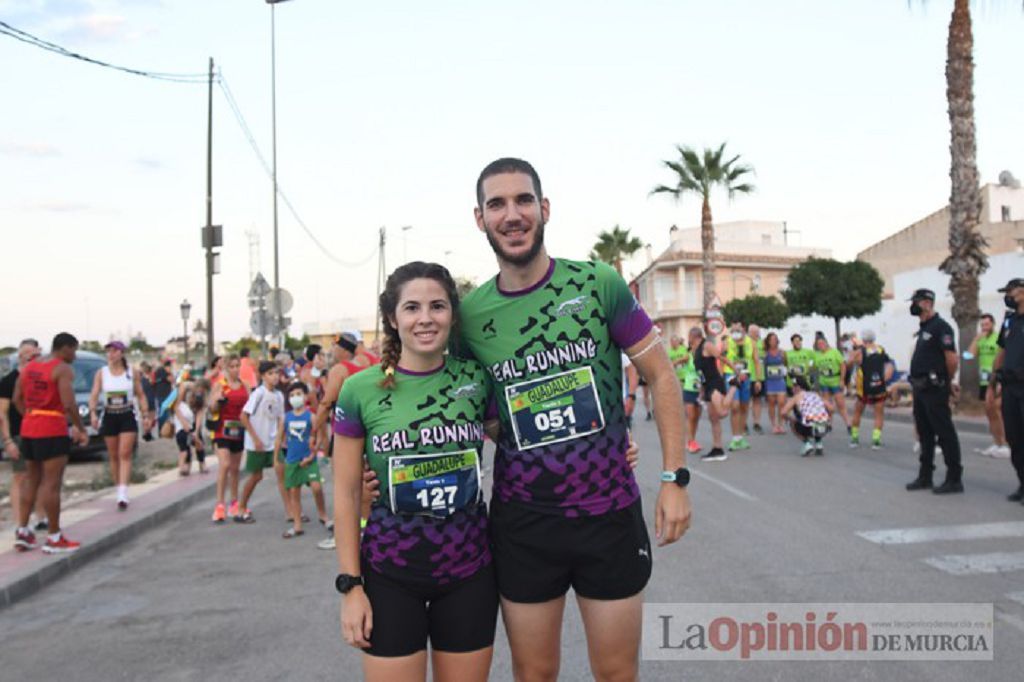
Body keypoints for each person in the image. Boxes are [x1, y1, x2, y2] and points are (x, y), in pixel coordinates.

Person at [455, 158, 691, 682]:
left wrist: (674, 476)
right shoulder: (468, 318)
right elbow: (475, 413)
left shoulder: (597, 282)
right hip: (523, 523)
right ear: (480, 218)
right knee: (534, 674)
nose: (511, 214)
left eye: (522, 201)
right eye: (497, 203)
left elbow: (662, 374)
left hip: (608, 514)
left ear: (544, 209)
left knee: (615, 673)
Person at [334, 262, 500, 680]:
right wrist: (351, 586)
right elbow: (346, 492)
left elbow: (520, 439)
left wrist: (612, 450)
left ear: (452, 315)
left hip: (469, 572)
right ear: (393, 318)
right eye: (412, 308)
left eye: (437, 306)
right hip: (390, 574)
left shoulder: (477, 380)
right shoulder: (360, 389)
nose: (425, 318)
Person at [12, 332, 90, 553]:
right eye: (73, 350)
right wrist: (80, 428)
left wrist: (30, 415)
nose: (74, 355)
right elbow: (69, 403)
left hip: (29, 426)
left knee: (31, 480)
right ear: (65, 348)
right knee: (51, 483)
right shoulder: (62, 368)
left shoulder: (30, 367)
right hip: (52, 428)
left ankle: (23, 531)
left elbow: (18, 398)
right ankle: (54, 536)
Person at [905, 288, 963, 494]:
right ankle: (925, 475)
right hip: (920, 388)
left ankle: (954, 478)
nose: (912, 305)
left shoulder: (941, 327)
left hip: (935, 387)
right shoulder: (924, 327)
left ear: (927, 303)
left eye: (915, 302)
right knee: (925, 433)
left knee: (944, 432)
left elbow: (951, 358)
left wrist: (947, 381)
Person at [88, 341, 152, 510]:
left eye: (115, 351)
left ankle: (123, 491)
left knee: (125, 453)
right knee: (114, 455)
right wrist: (93, 413)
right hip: (110, 414)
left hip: (127, 414)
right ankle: (118, 487)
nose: (111, 354)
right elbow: (94, 394)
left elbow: (141, 394)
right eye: (109, 351)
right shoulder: (102, 373)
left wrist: (145, 415)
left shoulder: (132, 373)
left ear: (122, 353)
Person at [1, 339, 46, 531]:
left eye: (36, 355)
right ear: (21, 356)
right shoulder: (8, 381)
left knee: (40, 475)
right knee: (20, 476)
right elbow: (2, 413)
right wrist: (8, 440)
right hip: (18, 434)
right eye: (29, 355)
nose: (33, 358)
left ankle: (40, 517)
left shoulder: (40, 378)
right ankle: (20, 523)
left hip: (39, 432)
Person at [235, 361, 286, 523]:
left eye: (276, 373)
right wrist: (255, 438)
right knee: (256, 476)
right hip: (257, 443)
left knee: (282, 474)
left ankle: (291, 511)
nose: (275, 377)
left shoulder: (279, 396)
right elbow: (243, 416)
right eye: (271, 374)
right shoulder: (258, 394)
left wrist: (281, 438)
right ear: (263, 376)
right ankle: (241, 507)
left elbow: (280, 419)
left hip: (273, 443)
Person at [280, 381, 327, 537]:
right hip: (292, 460)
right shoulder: (286, 418)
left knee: (316, 487)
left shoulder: (311, 416)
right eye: (292, 395)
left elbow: (319, 436)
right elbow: (280, 439)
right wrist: (277, 458)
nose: (295, 398)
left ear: (305, 396)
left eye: (298, 394)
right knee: (294, 492)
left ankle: (323, 515)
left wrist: (313, 454)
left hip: (309, 459)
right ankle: (297, 524)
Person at [994, 278, 1024, 503]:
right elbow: (1002, 351)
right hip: (1010, 386)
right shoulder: (1010, 320)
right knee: (1014, 437)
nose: (1008, 296)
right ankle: (1022, 483)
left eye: (1011, 291)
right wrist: (993, 378)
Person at [209, 355, 250, 522]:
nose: (235, 369)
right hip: (221, 430)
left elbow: (251, 407)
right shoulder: (220, 386)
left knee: (235, 469)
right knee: (224, 464)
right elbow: (211, 408)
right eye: (231, 366)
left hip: (238, 430)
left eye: (237, 366)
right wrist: (218, 402)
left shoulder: (245, 386)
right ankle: (219, 505)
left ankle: (234, 502)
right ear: (225, 368)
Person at [693, 324, 740, 461]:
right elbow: (700, 373)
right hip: (707, 386)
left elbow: (721, 357)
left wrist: (735, 370)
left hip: (715, 383)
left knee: (722, 413)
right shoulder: (695, 351)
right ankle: (717, 448)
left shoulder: (707, 345)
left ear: (693, 336)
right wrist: (701, 391)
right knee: (713, 418)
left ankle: (734, 386)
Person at [969, 314, 1009, 458]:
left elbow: (1003, 358)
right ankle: (996, 442)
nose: (984, 328)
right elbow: (969, 355)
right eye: (982, 325)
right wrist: (976, 339)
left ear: (993, 324)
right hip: (984, 380)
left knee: (997, 410)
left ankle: (1005, 443)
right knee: (989, 411)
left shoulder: (998, 338)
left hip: (997, 379)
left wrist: (999, 378)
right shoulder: (981, 340)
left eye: (986, 324)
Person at [849, 329, 893, 450]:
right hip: (879, 385)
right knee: (878, 414)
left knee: (858, 412)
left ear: (863, 339)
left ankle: (854, 438)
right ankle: (876, 440)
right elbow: (889, 364)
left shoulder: (860, 352)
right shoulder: (881, 349)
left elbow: (849, 362)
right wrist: (886, 377)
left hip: (864, 387)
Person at [724, 322, 758, 450]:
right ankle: (735, 437)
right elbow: (722, 356)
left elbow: (756, 361)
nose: (736, 332)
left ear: (744, 330)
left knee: (744, 406)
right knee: (735, 406)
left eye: (738, 329)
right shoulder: (728, 341)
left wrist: (758, 379)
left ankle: (740, 436)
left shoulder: (751, 342)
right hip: (731, 375)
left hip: (746, 376)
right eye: (733, 330)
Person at [781, 376, 832, 457]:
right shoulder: (816, 395)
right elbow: (831, 408)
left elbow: (783, 412)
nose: (792, 388)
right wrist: (828, 418)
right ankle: (819, 443)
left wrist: (790, 419)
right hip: (824, 427)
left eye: (794, 386)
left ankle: (807, 443)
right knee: (815, 418)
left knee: (794, 423)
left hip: (808, 427)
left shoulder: (796, 397)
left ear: (798, 387)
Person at [812, 334, 850, 433]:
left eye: (822, 343)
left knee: (840, 403)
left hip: (835, 380)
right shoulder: (817, 355)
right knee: (828, 404)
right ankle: (829, 424)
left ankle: (848, 424)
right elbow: (813, 366)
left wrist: (842, 380)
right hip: (824, 381)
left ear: (826, 343)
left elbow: (843, 365)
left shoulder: (834, 352)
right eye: (818, 344)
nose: (821, 345)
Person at [672, 333, 702, 453]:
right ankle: (689, 442)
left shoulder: (703, 355)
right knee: (690, 416)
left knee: (696, 417)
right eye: (693, 344)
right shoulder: (688, 356)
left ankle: (692, 440)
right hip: (689, 388)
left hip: (700, 389)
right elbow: (673, 363)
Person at [172, 382, 206, 475]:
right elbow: (176, 408)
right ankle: (186, 465)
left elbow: (199, 417)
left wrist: (196, 431)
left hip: (191, 424)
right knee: (185, 447)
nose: (192, 400)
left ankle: (201, 463)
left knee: (199, 442)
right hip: (184, 426)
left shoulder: (199, 402)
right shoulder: (182, 401)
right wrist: (184, 423)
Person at [761, 332, 788, 434]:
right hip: (770, 380)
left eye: (775, 339)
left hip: (779, 380)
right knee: (771, 403)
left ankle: (781, 424)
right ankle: (774, 425)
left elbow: (785, 364)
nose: (773, 341)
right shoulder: (765, 353)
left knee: (781, 402)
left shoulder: (782, 352)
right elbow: (762, 366)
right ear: (768, 341)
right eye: (771, 339)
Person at [748, 324, 766, 434]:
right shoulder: (746, 342)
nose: (756, 334)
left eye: (757, 332)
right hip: (748, 376)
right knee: (745, 401)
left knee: (757, 400)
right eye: (754, 332)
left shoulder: (762, 343)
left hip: (760, 376)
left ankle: (757, 422)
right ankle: (744, 423)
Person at [153, 359, 174, 431]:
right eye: (170, 367)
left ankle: (161, 430)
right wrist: (170, 373)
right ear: (167, 366)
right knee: (164, 412)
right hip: (164, 394)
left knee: (162, 412)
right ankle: (163, 430)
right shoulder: (164, 372)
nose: (171, 368)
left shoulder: (158, 371)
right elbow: (171, 380)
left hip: (160, 394)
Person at [138, 361, 156, 441]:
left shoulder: (140, 380)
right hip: (150, 399)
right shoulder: (150, 378)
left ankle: (146, 433)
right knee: (151, 418)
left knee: (145, 418)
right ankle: (147, 433)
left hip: (142, 401)